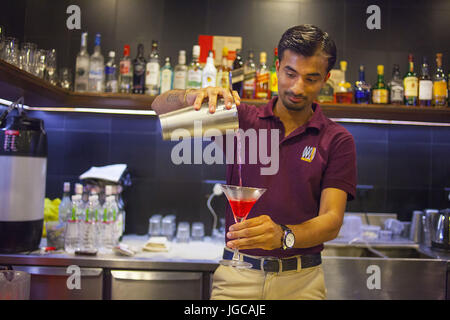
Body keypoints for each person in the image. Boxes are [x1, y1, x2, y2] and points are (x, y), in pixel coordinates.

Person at [152, 24, 357, 300]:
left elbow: (331, 221)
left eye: (311, 78)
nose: (297, 87)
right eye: (290, 73)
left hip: (302, 283)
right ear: (277, 67)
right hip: (237, 279)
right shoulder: (239, 119)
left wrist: (284, 235)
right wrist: (193, 95)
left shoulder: (337, 140)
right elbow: (159, 106)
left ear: (326, 79)